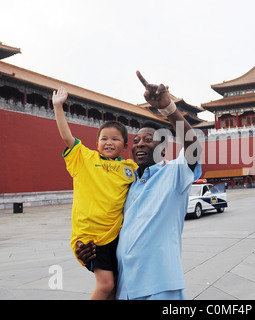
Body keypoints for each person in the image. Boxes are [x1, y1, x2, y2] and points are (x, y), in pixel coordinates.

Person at [76, 71, 202, 300]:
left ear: (163, 148)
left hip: (160, 285)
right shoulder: (129, 184)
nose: (140, 144)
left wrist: (168, 108)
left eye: (147, 139)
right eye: (136, 141)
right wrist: (92, 254)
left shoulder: (174, 175)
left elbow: (193, 148)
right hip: (126, 287)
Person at [52, 87, 137, 300]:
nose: (109, 142)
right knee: (106, 284)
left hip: (116, 236)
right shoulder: (85, 159)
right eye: (104, 139)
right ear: (96, 143)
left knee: (115, 286)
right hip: (90, 238)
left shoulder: (130, 168)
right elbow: (67, 137)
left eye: (115, 139)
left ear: (125, 145)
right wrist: (58, 106)